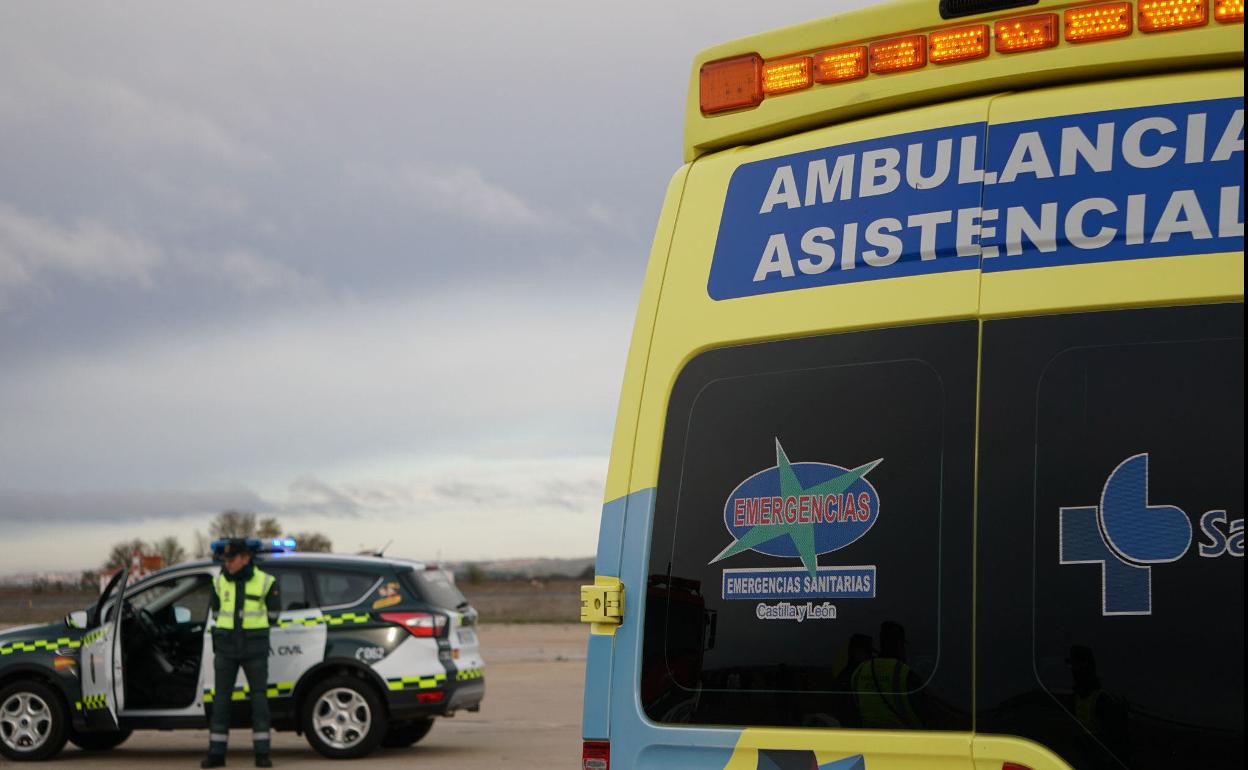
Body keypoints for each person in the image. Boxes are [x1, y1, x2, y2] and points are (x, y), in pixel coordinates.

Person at [202, 539, 280, 769]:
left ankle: (262, 754)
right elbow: (216, 612)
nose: (227, 564)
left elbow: (274, 615)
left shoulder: (266, 581)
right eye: (225, 560)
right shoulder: (218, 583)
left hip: (254, 648)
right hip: (226, 648)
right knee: (221, 701)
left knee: (258, 699)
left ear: (245, 558)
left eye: (232, 559)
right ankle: (216, 754)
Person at [851, 621, 921, 729]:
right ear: (899, 644)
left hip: (867, 740)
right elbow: (925, 711)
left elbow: (854, 708)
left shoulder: (860, 671)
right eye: (902, 645)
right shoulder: (904, 673)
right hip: (903, 741)